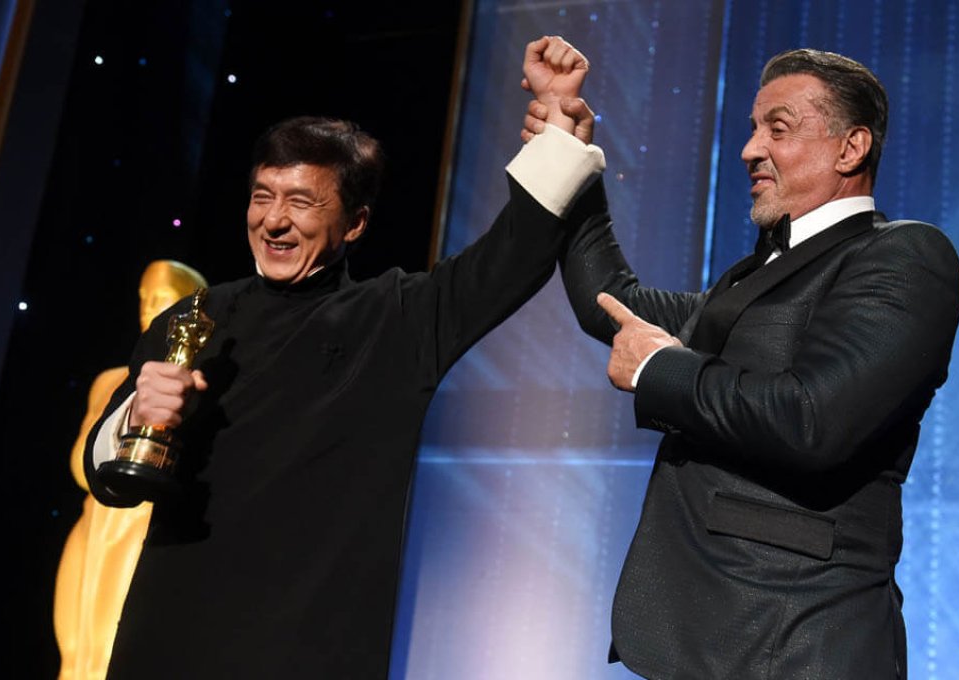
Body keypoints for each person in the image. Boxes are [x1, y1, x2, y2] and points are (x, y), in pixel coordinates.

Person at [83, 38, 602, 679]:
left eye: (301, 202)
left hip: (308, 654)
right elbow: (106, 480)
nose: (273, 221)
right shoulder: (192, 319)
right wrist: (138, 418)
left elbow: (512, 254)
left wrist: (556, 129)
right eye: (262, 196)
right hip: (166, 644)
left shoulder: (398, 319)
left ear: (355, 223)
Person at [521, 45, 959, 678]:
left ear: (851, 148)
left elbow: (813, 419)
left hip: (796, 641)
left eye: (777, 129)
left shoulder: (903, 256)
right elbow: (615, 305)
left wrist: (659, 370)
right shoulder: (752, 277)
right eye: (754, 129)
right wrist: (565, 151)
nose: (750, 150)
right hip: (715, 638)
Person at [54, 259, 206, 680]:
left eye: (163, 298)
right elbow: (81, 465)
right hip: (92, 524)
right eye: (145, 297)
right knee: (74, 655)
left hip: (137, 525)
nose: (149, 307)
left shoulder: (194, 384)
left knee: (107, 654)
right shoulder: (110, 381)